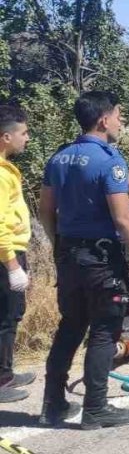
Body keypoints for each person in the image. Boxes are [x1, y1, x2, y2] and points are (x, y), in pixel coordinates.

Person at [38, 91, 129, 430]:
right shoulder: (110, 161)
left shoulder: (58, 158)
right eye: (118, 115)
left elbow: (45, 211)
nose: (121, 121)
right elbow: (123, 219)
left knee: (69, 327)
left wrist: (58, 246)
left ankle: (52, 405)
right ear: (103, 119)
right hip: (102, 261)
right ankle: (95, 408)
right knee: (104, 332)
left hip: (69, 256)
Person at [0, 103, 32, 404]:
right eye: (23, 133)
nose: (27, 138)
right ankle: (1, 380)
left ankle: (5, 370)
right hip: (4, 255)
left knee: (10, 315)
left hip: (10, 252)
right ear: (5, 137)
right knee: (5, 317)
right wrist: (11, 265)